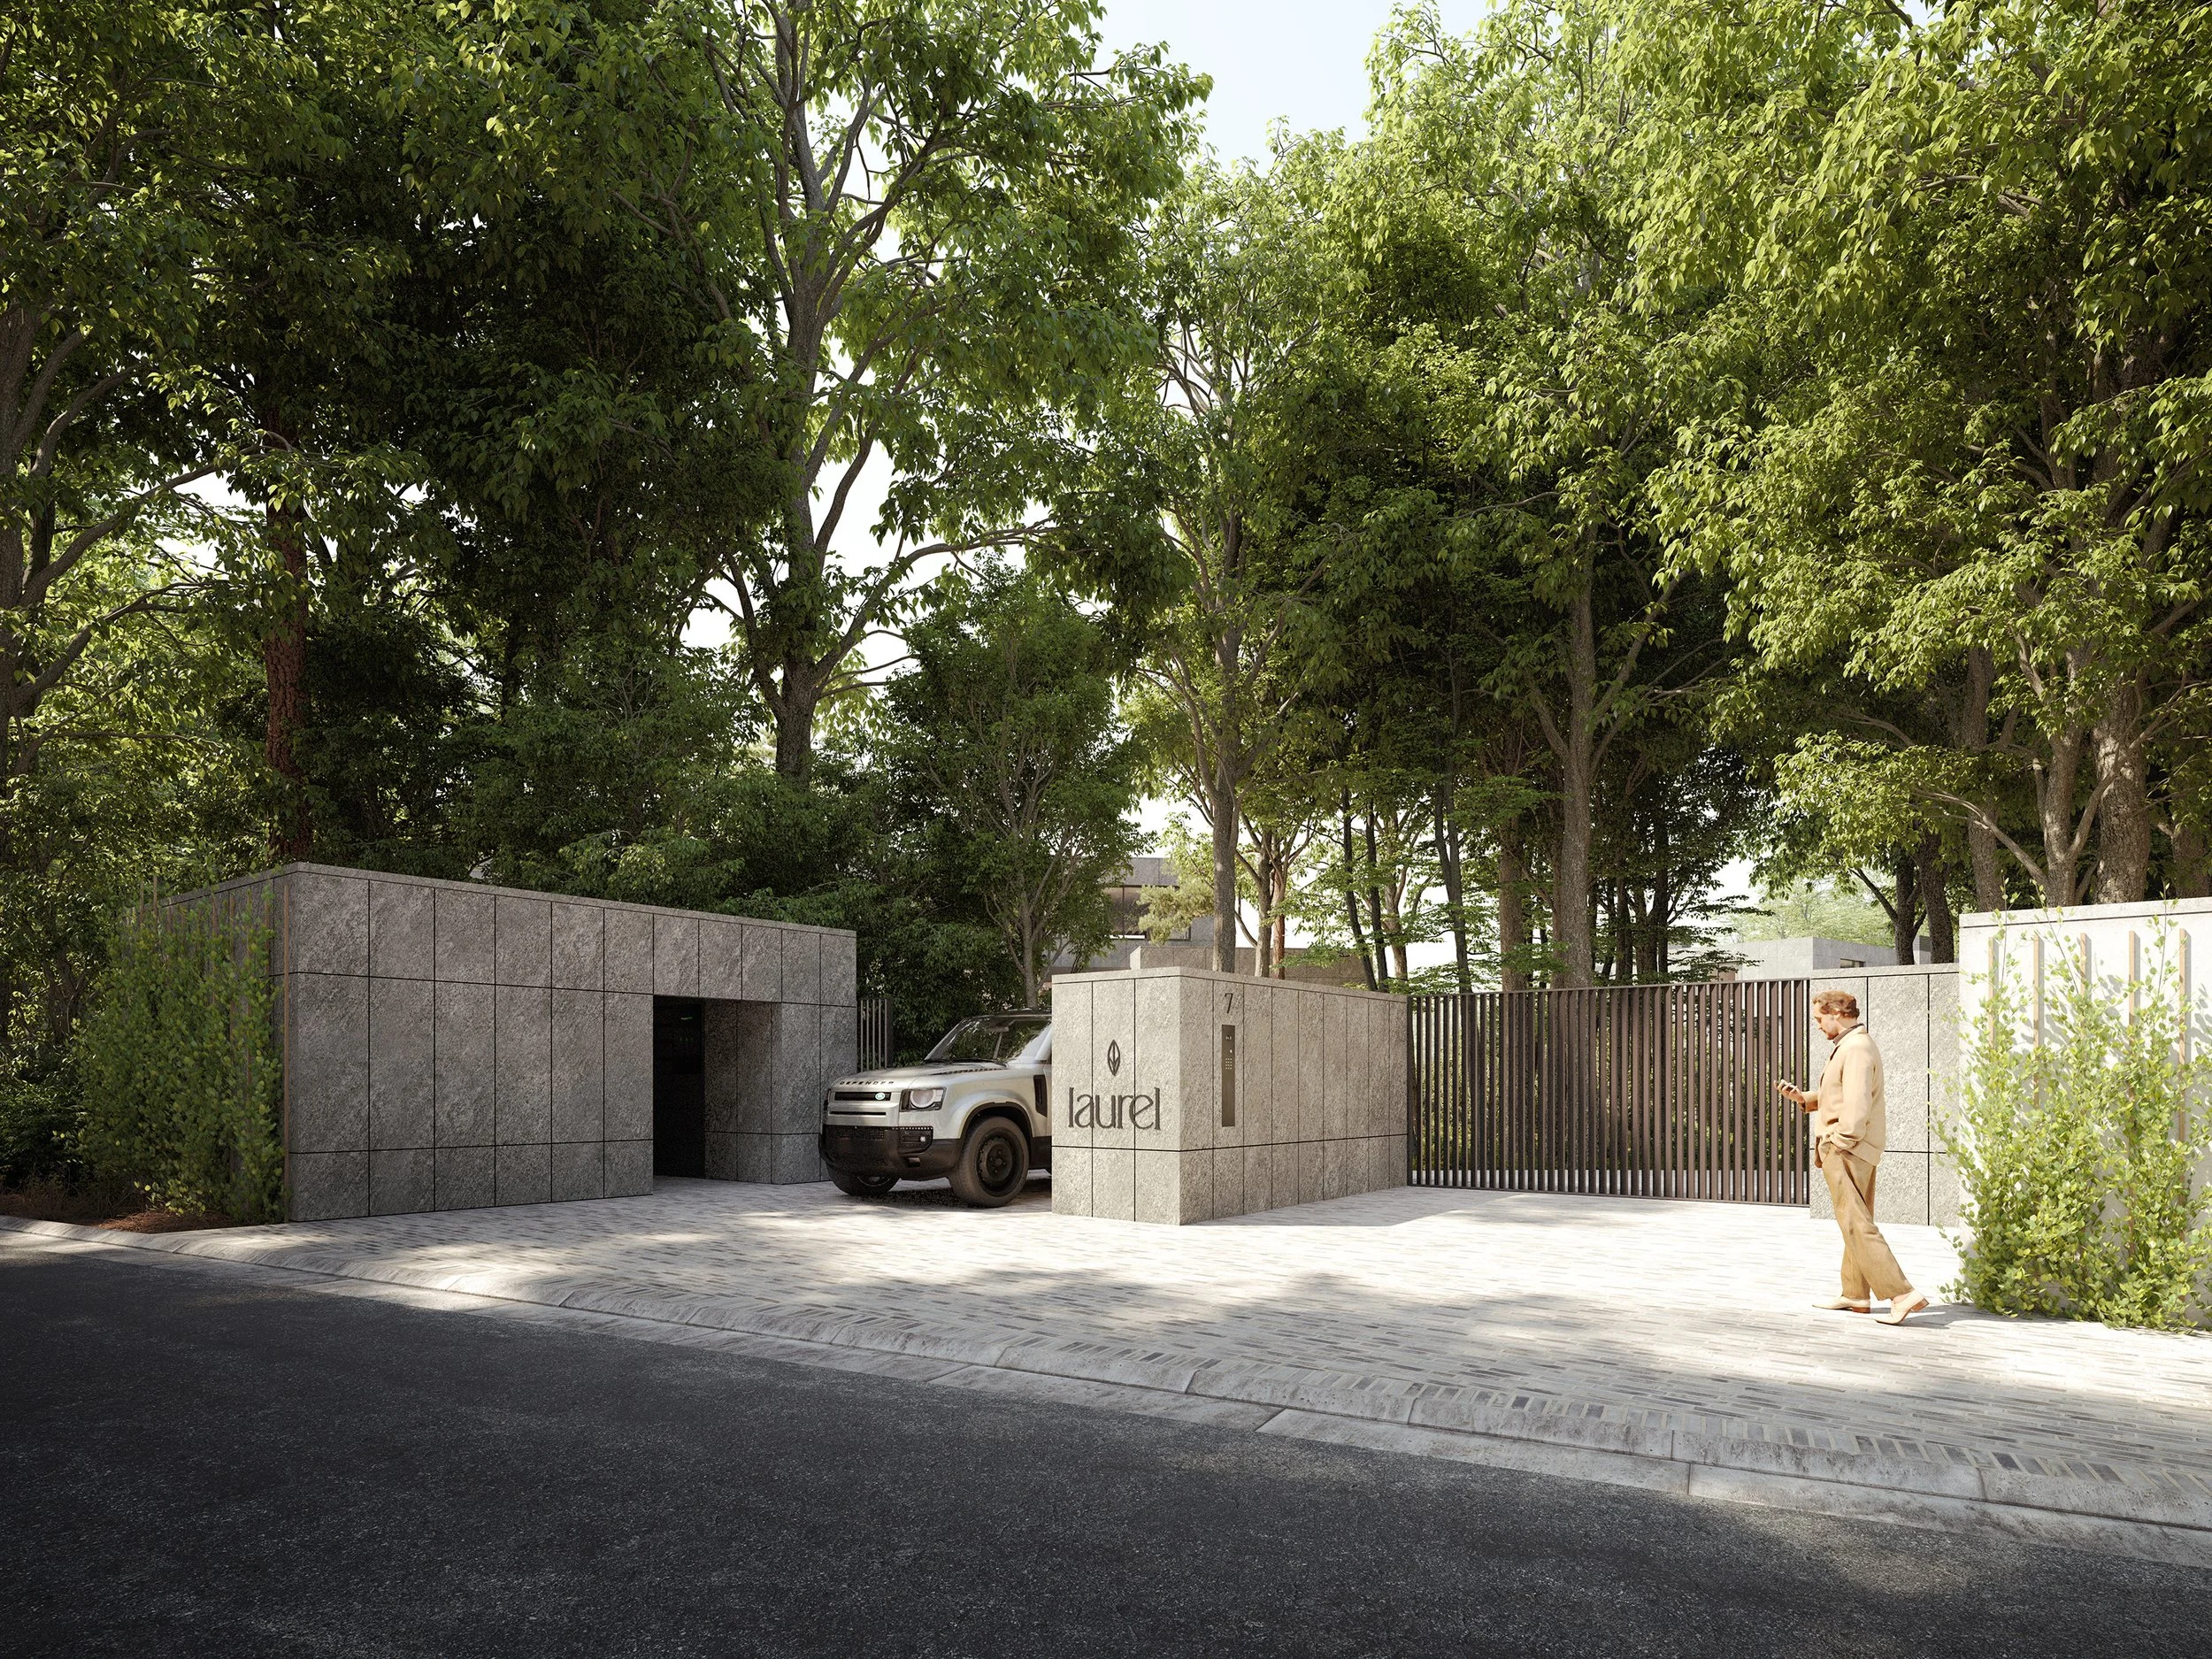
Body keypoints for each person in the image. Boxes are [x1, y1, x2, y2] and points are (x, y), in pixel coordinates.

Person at [1777, 989, 1930, 1325]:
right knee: (1854, 1219)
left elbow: (1858, 1105)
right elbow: (1841, 1094)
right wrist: (1805, 1098)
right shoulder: (1850, 1045)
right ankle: (1856, 1294)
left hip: (1847, 1147)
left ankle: (1902, 1294)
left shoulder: (1857, 1048)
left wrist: (1839, 1141)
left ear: (1836, 1013)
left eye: (1819, 1018)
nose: (1817, 1025)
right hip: (1850, 1145)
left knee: (1856, 1221)